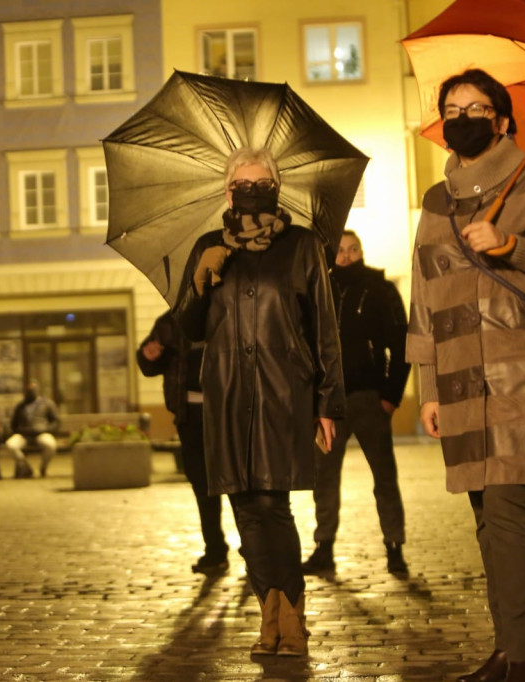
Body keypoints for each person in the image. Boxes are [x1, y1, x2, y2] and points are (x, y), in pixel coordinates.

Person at [405, 70, 525, 682]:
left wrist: (510, 243)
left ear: (503, 120)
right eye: (452, 108)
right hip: (460, 377)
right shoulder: (436, 204)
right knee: (486, 516)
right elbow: (423, 298)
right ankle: (509, 645)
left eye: (478, 107)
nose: (463, 117)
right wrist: (429, 389)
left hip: (520, 374)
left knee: (510, 509)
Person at [174, 146, 345, 657]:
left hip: (281, 392)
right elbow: (188, 327)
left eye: (260, 182)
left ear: (274, 186)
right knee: (244, 511)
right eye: (241, 183)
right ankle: (269, 620)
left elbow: (323, 326)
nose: (250, 190)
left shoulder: (300, 245)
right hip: (226, 394)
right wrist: (202, 281)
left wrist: (328, 402)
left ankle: (291, 621)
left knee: (273, 505)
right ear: (227, 192)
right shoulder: (207, 245)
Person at [302, 230, 411, 576]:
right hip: (329, 400)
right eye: (341, 250)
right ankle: (324, 547)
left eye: (353, 249)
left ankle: (394, 546)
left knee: (384, 475)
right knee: (324, 477)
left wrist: (391, 396)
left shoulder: (379, 288)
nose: (346, 256)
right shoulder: (319, 290)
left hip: (368, 397)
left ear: (361, 251)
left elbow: (401, 343)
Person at [137, 311, 229, 575]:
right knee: (202, 484)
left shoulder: (226, 311)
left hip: (227, 413)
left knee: (237, 484)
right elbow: (149, 363)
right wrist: (148, 355)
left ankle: (252, 550)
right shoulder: (169, 321)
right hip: (189, 416)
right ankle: (215, 549)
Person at [5, 381, 61, 478]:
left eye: (33, 390)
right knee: (10, 445)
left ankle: (43, 468)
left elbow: (56, 421)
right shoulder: (20, 406)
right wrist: (17, 431)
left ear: (38, 391)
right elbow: (13, 423)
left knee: (50, 445)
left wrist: (48, 429)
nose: (31, 393)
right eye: (29, 391)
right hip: (23, 435)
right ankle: (26, 467)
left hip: (41, 433)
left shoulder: (47, 403)